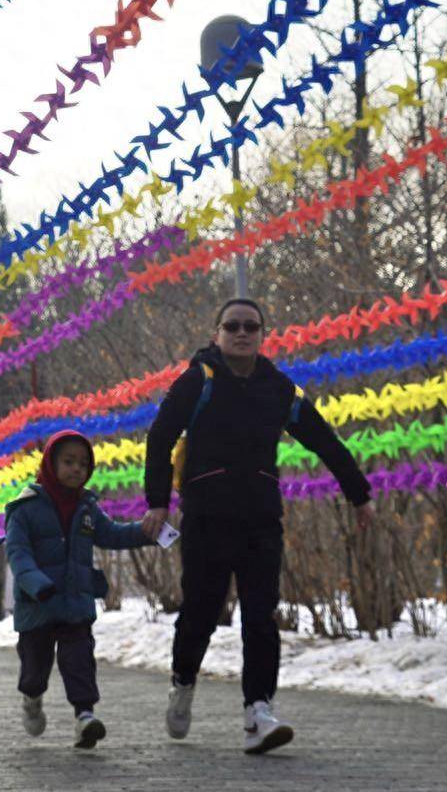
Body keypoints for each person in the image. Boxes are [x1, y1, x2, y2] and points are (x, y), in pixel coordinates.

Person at [142, 297, 372, 754]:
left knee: (261, 615)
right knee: (201, 614)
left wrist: (358, 492)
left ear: (263, 335)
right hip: (207, 516)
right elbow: (160, 437)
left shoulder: (279, 389)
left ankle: (258, 713)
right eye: (233, 326)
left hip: (261, 519)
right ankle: (183, 681)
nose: (242, 333)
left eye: (251, 326)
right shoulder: (198, 380)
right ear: (217, 334)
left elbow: (323, 439)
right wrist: (157, 503)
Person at [3, 430, 152, 749]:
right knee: (35, 668)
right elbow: (18, 554)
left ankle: (84, 716)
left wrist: (146, 532)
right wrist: (36, 584)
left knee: (80, 660)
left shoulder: (87, 508)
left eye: (83, 464)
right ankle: (32, 698)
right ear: (50, 464)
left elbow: (112, 534)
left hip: (75, 603)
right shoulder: (24, 508)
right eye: (69, 462)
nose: (77, 470)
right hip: (38, 606)